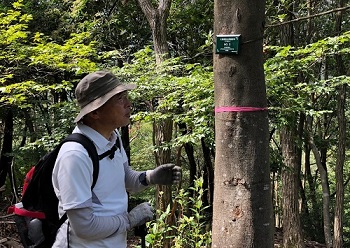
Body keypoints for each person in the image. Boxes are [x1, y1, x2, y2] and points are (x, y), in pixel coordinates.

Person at [52, 70, 182, 247]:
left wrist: (150, 177)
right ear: (95, 112)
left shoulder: (112, 137)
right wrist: (130, 220)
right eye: (119, 99)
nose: (129, 104)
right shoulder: (75, 155)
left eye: (126, 96)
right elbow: (84, 227)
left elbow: (125, 178)